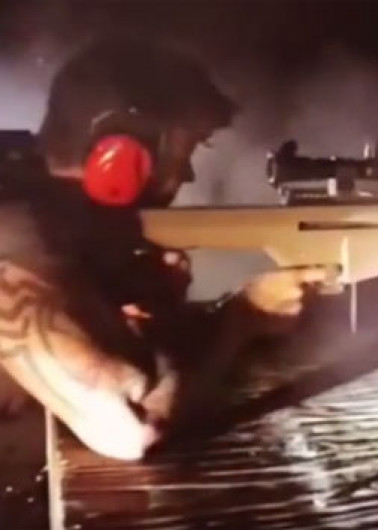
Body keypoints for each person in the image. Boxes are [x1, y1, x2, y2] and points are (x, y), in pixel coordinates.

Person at [0, 37, 330, 460]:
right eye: (185, 149)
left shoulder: (50, 217)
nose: (188, 174)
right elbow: (129, 426)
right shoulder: (15, 229)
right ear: (121, 152)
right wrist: (245, 316)